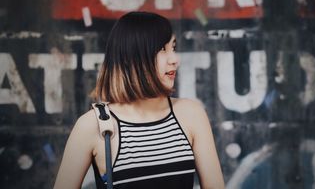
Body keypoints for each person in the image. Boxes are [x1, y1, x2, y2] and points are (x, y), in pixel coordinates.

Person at [53, 11, 224, 189]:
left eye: (173, 47)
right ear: (131, 58)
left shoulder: (191, 114)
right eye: (162, 50)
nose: (175, 59)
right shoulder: (93, 125)